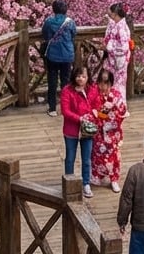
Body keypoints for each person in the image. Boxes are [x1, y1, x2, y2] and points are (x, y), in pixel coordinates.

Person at [88, 68, 128, 192]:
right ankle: (97, 175)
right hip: (99, 131)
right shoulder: (95, 94)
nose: (103, 86)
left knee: (114, 156)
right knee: (96, 154)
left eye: (106, 83)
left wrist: (114, 113)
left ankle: (114, 179)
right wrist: (97, 114)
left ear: (111, 83)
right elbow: (91, 109)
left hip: (113, 131)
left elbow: (122, 110)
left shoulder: (116, 95)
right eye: (101, 83)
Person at [60, 65, 95, 197]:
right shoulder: (67, 90)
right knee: (70, 158)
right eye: (78, 76)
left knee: (86, 159)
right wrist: (79, 118)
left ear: (88, 77)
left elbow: (96, 105)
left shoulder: (91, 89)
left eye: (84, 76)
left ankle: (86, 183)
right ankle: (69, 182)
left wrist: (91, 116)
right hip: (71, 129)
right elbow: (65, 110)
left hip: (87, 129)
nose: (81, 79)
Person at [42, 0, 76, 117]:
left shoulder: (49, 21)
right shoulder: (70, 22)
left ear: (54, 9)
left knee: (52, 81)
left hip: (53, 55)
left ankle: (52, 108)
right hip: (67, 55)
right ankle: (66, 107)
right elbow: (73, 35)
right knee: (66, 82)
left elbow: (45, 35)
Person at [103, 2, 133, 100]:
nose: (110, 15)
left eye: (110, 14)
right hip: (117, 58)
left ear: (115, 14)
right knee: (117, 83)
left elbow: (124, 47)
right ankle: (117, 104)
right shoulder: (120, 24)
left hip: (120, 59)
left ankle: (120, 105)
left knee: (119, 84)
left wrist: (110, 47)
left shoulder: (121, 27)